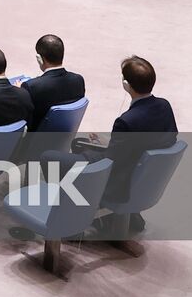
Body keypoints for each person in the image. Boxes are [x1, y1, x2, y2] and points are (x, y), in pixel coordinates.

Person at [44, 56, 176, 219]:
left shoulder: (127, 121)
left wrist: (106, 149)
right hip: (141, 170)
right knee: (79, 143)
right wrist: (113, 142)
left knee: (49, 158)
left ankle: (68, 215)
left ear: (126, 84)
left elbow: (110, 161)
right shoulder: (164, 106)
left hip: (119, 176)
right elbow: (154, 141)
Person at [21, 34, 85, 131]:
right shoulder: (78, 80)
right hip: (64, 136)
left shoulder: (31, 87)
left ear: (39, 59)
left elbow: (24, 119)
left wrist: (20, 92)